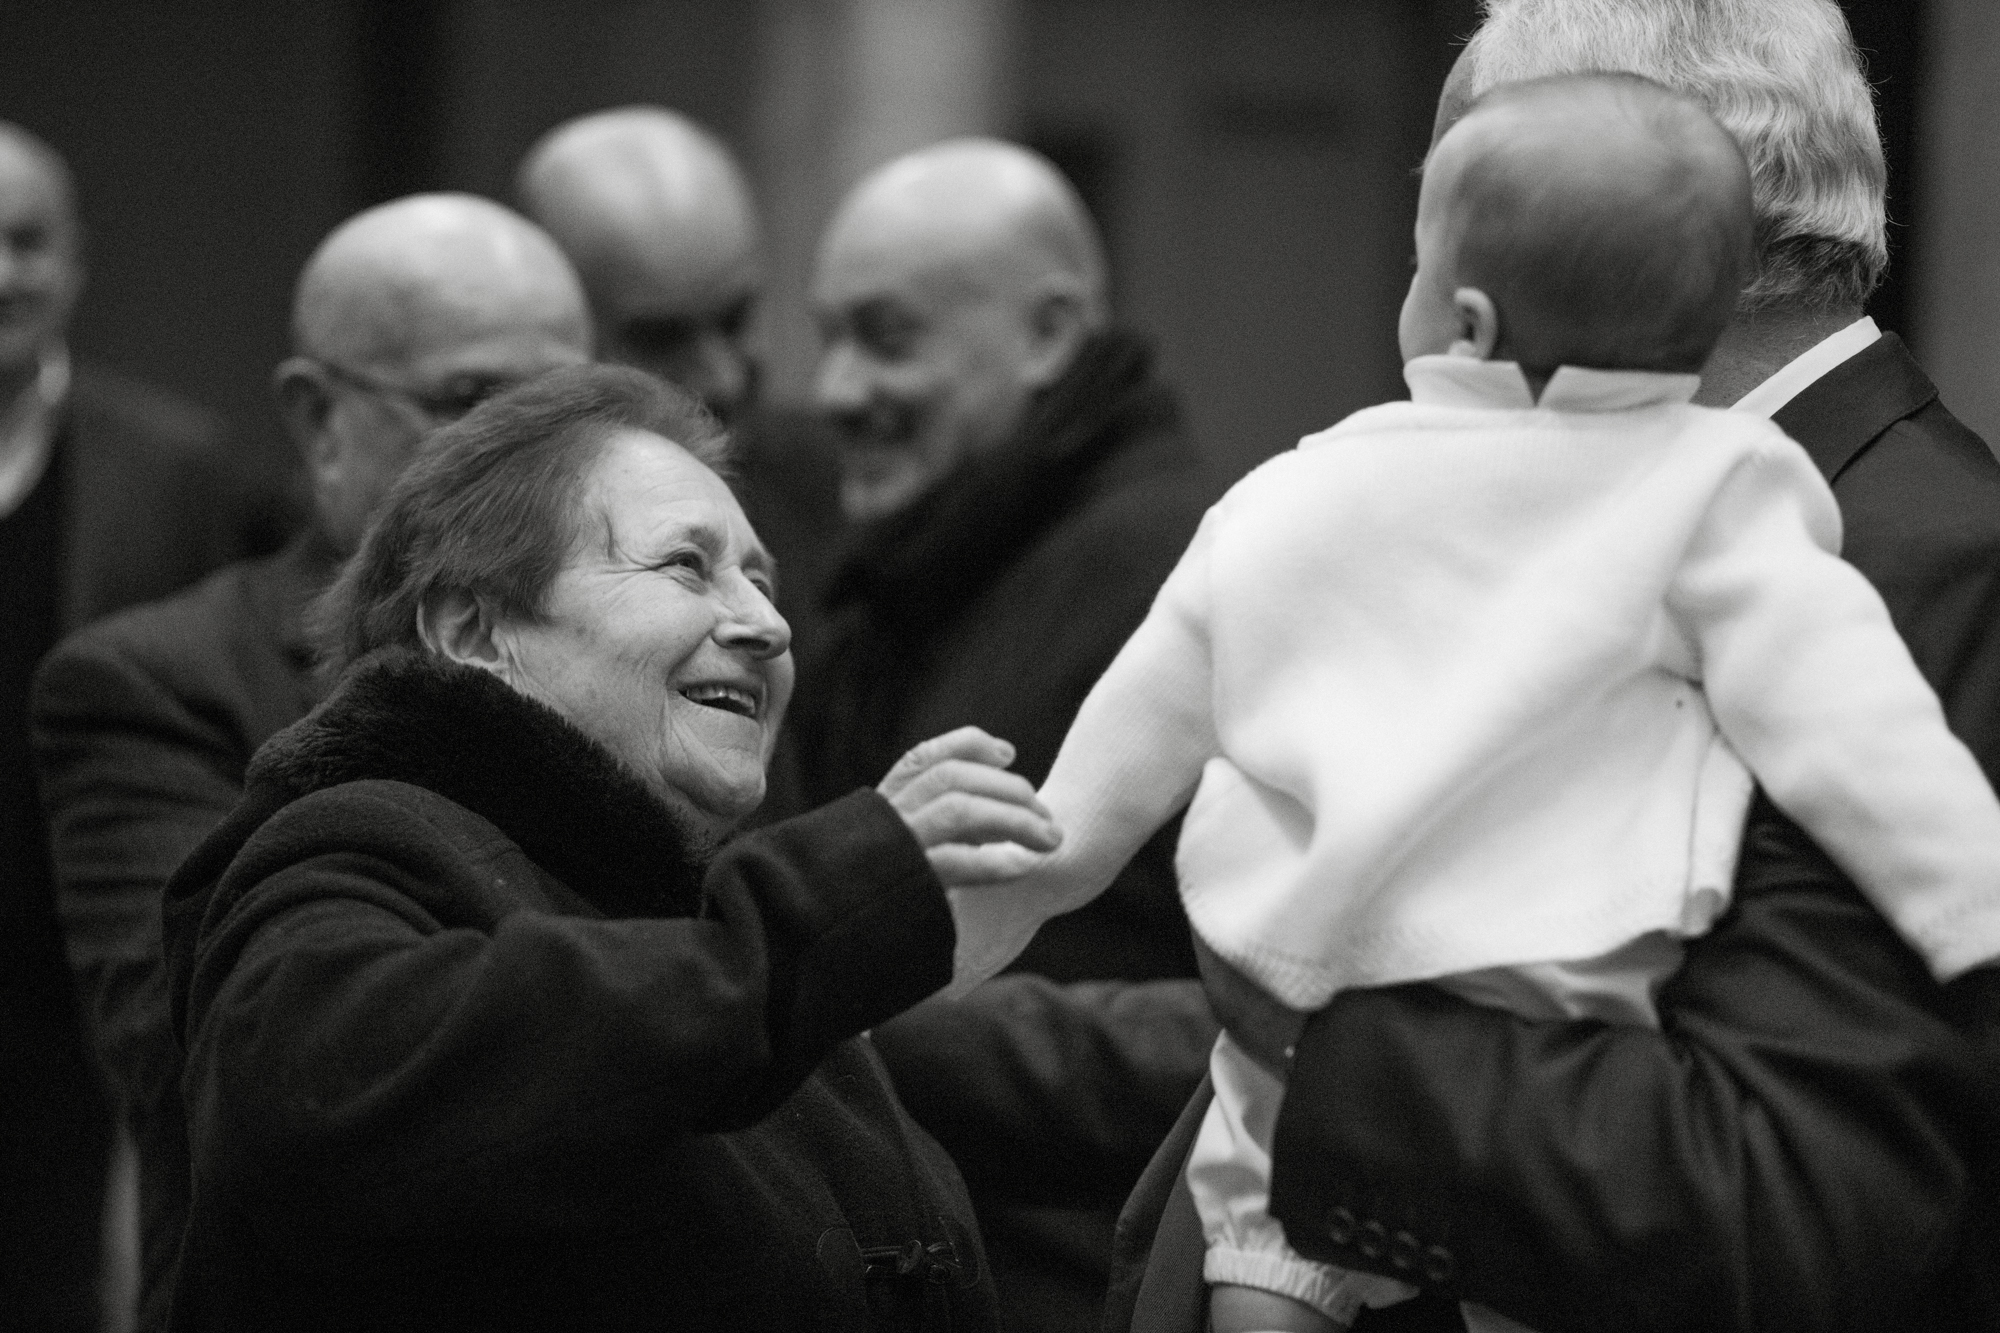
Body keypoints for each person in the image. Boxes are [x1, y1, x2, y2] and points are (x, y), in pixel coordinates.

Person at [951, 72, 2000, 1333]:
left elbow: (1099, 789)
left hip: (1300, 999)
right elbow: (1855, 731)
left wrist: (943, 937)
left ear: (1461, 315)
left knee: (1257, 1271)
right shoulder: (1727, 489)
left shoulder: (1301, 488)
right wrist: (1969, 904)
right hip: (1565, 990)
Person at [158, 363, 1060, 1330]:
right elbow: (330, 1105)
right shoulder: (344, 851)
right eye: (687, 565)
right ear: (472, 627)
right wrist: (827, 903)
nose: (767, 624)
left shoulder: (697, 912)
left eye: (763, 580)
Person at [30, 193, 592, 1333]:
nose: (532, 466)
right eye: (471, 405)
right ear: (318, 416)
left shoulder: (650, 650)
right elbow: (228, 1066)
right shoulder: (156, 682)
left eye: (565, 413)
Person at [787, 136, 1220, 1328]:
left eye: (885, 337)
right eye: (826, 336)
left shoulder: (1191, 574)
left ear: (1045, 333)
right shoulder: (922, 568)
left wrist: (833, 1026)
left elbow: (1279, 1023)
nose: (833, 391)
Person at [0, 121, 291, 1331]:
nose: (0, 274)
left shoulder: (180, 470)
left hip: (81, 982)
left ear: (76, 261)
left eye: (24, 241)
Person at [516, 106, 846, 654]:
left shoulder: (833, 489)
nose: (722, 377)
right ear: (549, 323)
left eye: (735, 320)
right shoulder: (482, 531)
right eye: (663, 339)